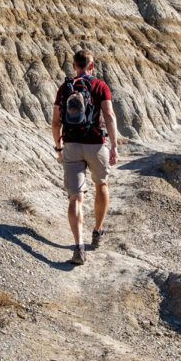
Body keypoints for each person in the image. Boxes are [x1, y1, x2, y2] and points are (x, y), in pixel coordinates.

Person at [52, 49, 119, 265]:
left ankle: (79, 247)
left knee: (75, 198)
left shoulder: (65, 88)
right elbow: (108, 115)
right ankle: (98, 231)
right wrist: (114, 146)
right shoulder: (100, 86)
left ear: (74, 66)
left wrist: (59, 148)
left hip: (71, 145)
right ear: (92, 66)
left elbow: (55, 122)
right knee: (101, 185)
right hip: (95, 144)